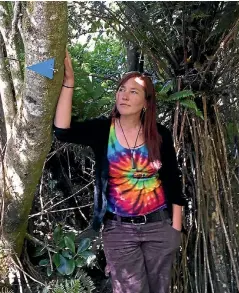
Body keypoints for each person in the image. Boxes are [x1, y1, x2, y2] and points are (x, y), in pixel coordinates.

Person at [53, 49, 187, 293]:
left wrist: (175, 229)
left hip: (159, 227)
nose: (124, 96)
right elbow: (63, 131)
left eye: (133, 91)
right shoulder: (103, 131)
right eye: (121, 90)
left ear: (146, 102)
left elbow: (172, 180)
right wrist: (68, 82)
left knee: (161, 289)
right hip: (119, 230)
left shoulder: (160, 134)